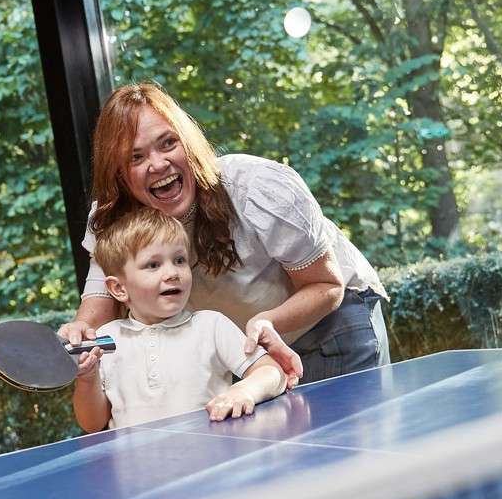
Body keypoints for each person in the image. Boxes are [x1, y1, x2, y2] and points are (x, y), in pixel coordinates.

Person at [59, 82, 390, 387]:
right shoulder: (114, 222)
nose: (158, 164)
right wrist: (79, 334)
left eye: (168, 143)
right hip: (252, 350)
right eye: (136, 157)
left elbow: (327, 286)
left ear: (188, 144)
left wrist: (268, 321)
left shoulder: (258, 188)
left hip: (328, 325)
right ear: (119, 175)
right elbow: (98, 309)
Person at [72, 209, 286, 432]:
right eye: (153, 265)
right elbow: (93, 424)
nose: (173, 273)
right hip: (136, 465)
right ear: (118, 288)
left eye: (179, 260)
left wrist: (245, 391)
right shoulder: (105, 340)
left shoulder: (211, 326)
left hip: (211, 459)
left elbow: (273, 372)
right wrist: (87, 380)